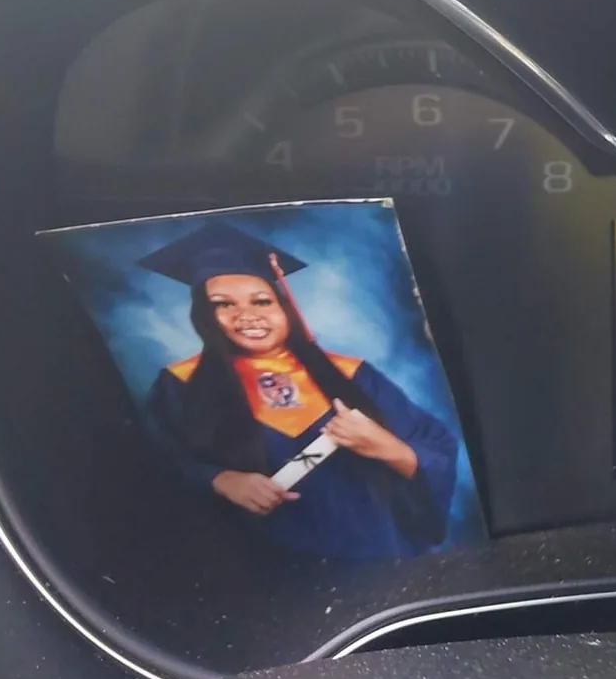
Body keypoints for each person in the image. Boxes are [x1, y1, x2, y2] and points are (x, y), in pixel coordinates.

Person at [136, 220, 460, 560]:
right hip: (264, 566)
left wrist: (387, 447)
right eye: (223, 304)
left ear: (284, 308)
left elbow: (438, 447)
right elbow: (159, 461)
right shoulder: (179, 383)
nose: (246, 315)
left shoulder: (351, 374)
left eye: (262, 301)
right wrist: (219, 479)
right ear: (203, 315)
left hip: (377, 554)